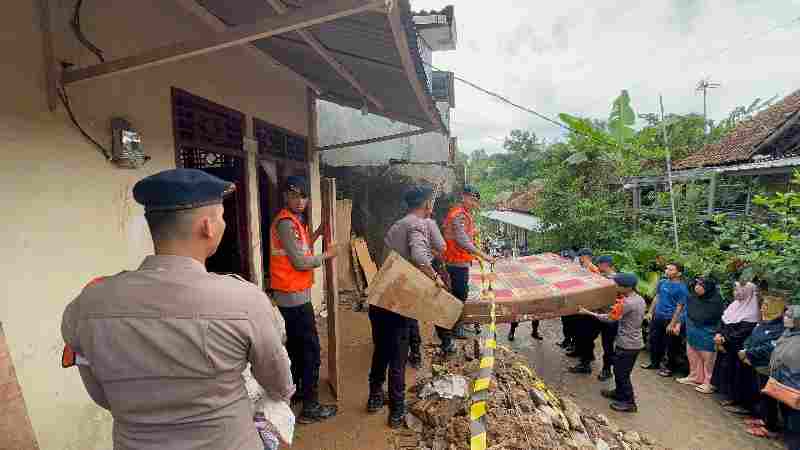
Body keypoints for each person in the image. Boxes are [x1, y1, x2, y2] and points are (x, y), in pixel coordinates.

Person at [60, 169, 294, 450]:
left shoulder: (86, 306)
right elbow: (279, 385)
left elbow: (102, 396)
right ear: (207, 226)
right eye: (221, 217)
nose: (223, 224)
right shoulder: (245, 302)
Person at [369, 186, 444, 427]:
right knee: (398, 357)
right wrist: (435, 277)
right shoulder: (417, 224)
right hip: (397, 302)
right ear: (426, 206)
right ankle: (397, 412)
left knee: (381, 350)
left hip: (379, 297)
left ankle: (374, 397)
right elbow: (421, 256)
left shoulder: (398, 224)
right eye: (431, 203)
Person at [270, 176, 338, 424]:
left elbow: (299, 248)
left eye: (304, 196)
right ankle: (310, 405)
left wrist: (317, 233)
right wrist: (328, 255)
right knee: (309, 350)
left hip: (292, 295)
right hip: (293, 297)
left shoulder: (294, 221)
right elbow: (300, 261)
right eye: (295, 195)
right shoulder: (286, 222)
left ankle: (298, 391)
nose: (301, 201)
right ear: (286, 196)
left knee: (297, 347)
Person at [578, 273, 646, 413]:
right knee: (619, 370)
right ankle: (619, 393)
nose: (615, 287)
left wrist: (588, 312)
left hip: (627, 344)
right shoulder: (638, 299)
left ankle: (629, 402)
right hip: (633, 341)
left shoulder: (627, 303)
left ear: (627, 287)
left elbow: (610, 318)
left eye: (617, 285)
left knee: (622, 373)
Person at [442, 185, 495, 338]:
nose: (473, 203)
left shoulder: (462, 214)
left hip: (459, 259)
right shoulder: (459, 215)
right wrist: (484, 256)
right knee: (459, 295)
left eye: (476, 201)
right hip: (455, 261)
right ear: (463, 197)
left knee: (459, 294)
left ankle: (455, 326)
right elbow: (462, 241)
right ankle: (455, 328)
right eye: (471, 199)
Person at [407, 204, 451, 367]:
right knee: (431, 310)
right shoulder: (423, 227)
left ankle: (419, 353)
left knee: (417, 314)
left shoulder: (418, 228)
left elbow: (437, 252)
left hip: (427, 273)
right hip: (428, 273)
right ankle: (421, 352)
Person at [738, 295, 785, 439]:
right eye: (763, 304)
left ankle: (771, 427)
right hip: (755, 363)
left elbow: (769, 348)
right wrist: (746, 351)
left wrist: (748, 353)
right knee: (761, 393)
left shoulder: (779, 327)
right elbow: (751, 338)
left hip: (767, 366)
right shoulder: (764, 322)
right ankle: (763, 419)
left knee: (768, 396)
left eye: (766, 305)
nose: (763, 307)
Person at [668, 277, 725, 394]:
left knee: (708, 361)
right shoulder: (692, 297)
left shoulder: (715, 301)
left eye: (701, 285)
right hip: (692, 333)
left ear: (708, 288)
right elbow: (687, 312)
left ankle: (709, 382)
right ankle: (695, 376)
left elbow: (719, 319)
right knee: (693, 356)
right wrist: (679, 323)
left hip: (707, 335)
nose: (697, 287)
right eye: (697, 284)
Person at [711, 279, 760, 413]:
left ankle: (737, 399)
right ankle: (727, 394)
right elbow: (723, 321)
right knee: (725, 369)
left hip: (736, 348)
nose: (736, 293)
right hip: (725, 344)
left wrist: (724, 340)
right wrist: (718, 334)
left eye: (739, 290)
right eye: (735, 289)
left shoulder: (752, 311)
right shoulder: (734, 305)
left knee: (737, 374)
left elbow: (743, 332)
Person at [642, 263, 690, 377]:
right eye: (667, 268)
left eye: (671, 269)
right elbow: (657, 297)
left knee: (671, 345)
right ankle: (654, 363)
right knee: (654, 340)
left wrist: (672, 324)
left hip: (670, 318)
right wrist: (650, 312)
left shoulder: (682, 288)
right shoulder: (663, 282)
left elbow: (680, 307)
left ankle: (669, 368)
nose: (667, 270)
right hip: (658, 316)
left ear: (679, 273)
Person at [769, 305, 800, 450]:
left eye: (790, 316)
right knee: (788, 420)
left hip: (796, 387)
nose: (785, 318)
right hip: (783, 385)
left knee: (795, 425)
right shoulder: (787, 333)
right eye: (786, 314)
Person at [569, 248, 603, 374]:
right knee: (579, 333)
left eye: (581, 257)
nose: (579, 259)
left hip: (590, 308)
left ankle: (585, 364)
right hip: (583, 306)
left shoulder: (593, 269)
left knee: (585, 335)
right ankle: (581, 353)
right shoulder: (583, 268)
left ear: (586, 256)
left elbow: (596, 288)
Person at [595, 255, 618, 381]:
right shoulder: (601, 277)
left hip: (610, 318)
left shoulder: (616, 280)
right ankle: (587, 361)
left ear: (604, 264)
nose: (598, 267)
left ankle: (607, 369)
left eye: (599, 264)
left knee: (607, 345)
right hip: (599, 315)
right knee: (591, 338)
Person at [559, 248, 579, 350]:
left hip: (574, 303)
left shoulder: (577, 270)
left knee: (574, 325)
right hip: (564, 302)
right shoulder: (559, 270)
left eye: (567, 258)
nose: (565, 261)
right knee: (565, 323)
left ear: (572, 259)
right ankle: (566, 340)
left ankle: (574, 344)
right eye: (564, 258)